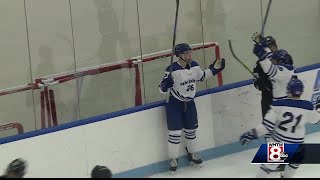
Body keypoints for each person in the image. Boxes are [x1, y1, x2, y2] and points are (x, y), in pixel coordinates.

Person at [159, 43, 226, 173]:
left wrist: (214, 69)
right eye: (187, 53)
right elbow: (161, 89)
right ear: (179, 55)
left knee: (191, 131)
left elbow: (201, 76)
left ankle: (192, 153)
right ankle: (173, 158)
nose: (190, 55)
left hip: (189, 104)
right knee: (175, 134)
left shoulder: (194, 65)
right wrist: (165, 85)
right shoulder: (172, 69)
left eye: (190, 52)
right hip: (174, 104)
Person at [239, 78, 320, 178]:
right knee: (292, 167)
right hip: (297, 146)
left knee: (266, 169)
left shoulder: (279, 104)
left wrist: (251, 134)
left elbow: (266, 126)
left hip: (279, 144)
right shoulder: (307, 107)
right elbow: (316, 120)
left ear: (288, 90)